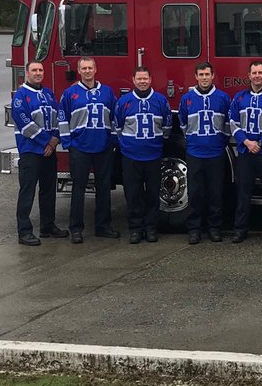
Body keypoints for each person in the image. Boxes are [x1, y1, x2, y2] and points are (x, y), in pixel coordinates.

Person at [58, 57, 121, 244]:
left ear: (96, 70)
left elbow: (115, 117)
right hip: (80, 149)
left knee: (103, 188)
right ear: (78, 71)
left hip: (103, 147)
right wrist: (68, 143)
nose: (87, 71)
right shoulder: (70, 93)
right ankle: (76, 229)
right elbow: (63, 119)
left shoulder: (107, 92)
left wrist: (112, 139)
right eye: (83, 68)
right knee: (78, 189)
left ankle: (103, 226)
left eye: (90, 68)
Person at [114, 67, 172, 244]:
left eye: (145, 78)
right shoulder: (124, 102)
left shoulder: (161, 101)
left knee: (153, 195)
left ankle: (151, 229)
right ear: (133, 80)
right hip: (131, 157)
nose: (142, 81)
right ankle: (135, 229)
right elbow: (118, 127)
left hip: (153, 156)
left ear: (150, 79)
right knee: (133, 195)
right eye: (139, 79)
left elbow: (167, 128)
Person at [12, 61, 67, 246]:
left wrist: (55, 140)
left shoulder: (48, 94)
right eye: (34, 70)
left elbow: (59, 117)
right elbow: (25, 124)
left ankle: (47, 225)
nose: (38, 73)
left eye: (40, 70)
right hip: (31, 151)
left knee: (48, 190)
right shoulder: (21, 96)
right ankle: (24, 231)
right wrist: (47, 141)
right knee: (27, 192)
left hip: (49, 151)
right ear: (27, 74)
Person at [229, 61, 262, 244]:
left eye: (260, 72)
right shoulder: (239, 98)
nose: (257, 76)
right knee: (243, 191)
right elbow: (233, 123)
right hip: (246, 151)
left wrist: (260, 143)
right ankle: (240, 229)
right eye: (254, 73)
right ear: (249, 75)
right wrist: (247, 142)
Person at [177, 62, 231, 245]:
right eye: (201, 74)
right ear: (196, 77)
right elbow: (183, 124)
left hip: (216, 153)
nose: (204, 78)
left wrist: (218, 142)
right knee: (195, 193)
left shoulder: (223, 98)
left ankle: (215, 228)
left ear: (213, 75)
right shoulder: (187, 99)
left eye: (207, 74)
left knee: (216, 192)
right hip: (195, 153)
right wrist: (193, 141)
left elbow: (227, 124)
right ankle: (194, 229)